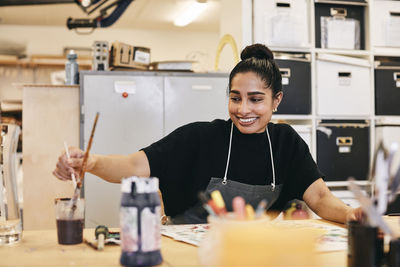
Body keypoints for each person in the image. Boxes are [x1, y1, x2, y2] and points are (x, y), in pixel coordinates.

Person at [53, 43, 362, 224]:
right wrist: (90, 163)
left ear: (276, 100)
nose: (243, 110)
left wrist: (351, 214)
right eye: (235, 97)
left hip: (250, 255)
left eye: (255, 99)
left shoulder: (286, 144)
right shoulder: (200, 138)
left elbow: (320, 197)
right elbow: (134, 166)